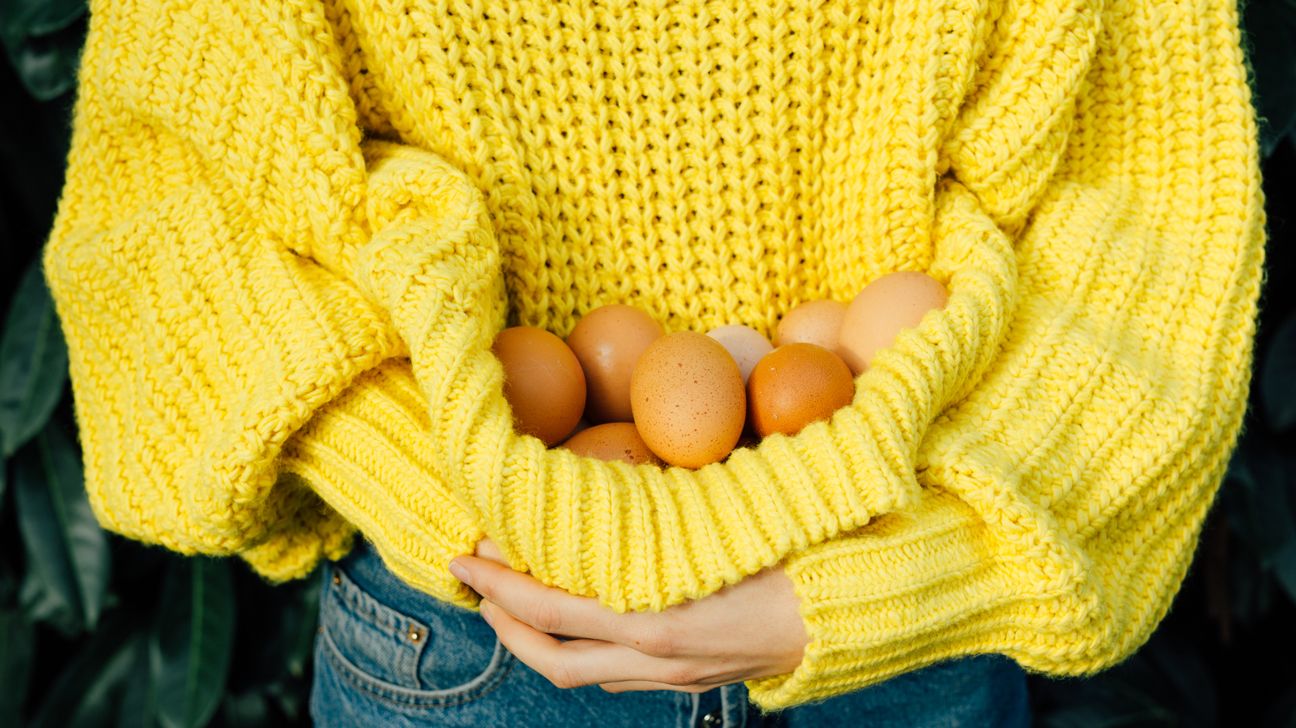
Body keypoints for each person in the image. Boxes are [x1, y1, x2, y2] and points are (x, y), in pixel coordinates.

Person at [42, 0, 1265, 725]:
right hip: (487, 643)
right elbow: (171, 192)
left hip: (890, 651)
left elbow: (1150, 196)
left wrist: (897, 582)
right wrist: (458, 501)